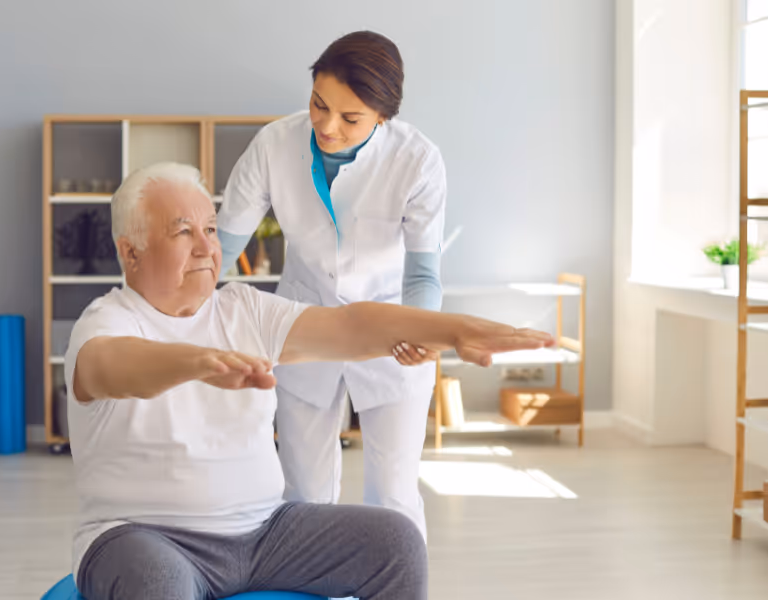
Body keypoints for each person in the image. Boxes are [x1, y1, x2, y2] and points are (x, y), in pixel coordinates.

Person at [65, 162, 553, 600]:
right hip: (143, 536)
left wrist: (456, 330)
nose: (206, 247)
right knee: (159, 585)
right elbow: (114, 367)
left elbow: (351, 326)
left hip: (264, 533)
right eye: (183, 232)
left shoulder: (244, 308)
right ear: (130, 252)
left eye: (211, 229)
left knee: (395, 543)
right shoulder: (106, 322)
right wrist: (198, 362)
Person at [217, 30, 446, 541]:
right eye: (319, 105)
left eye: (350, 118)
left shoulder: (418, 160)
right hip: (305, 320)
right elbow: (222, 247)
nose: (327, 126)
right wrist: (181, 319)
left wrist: (423, 331)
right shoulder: (275, 144)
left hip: (389, 327)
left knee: (394, 497)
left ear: (383, 117)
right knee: (303, 493)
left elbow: (424, 271)